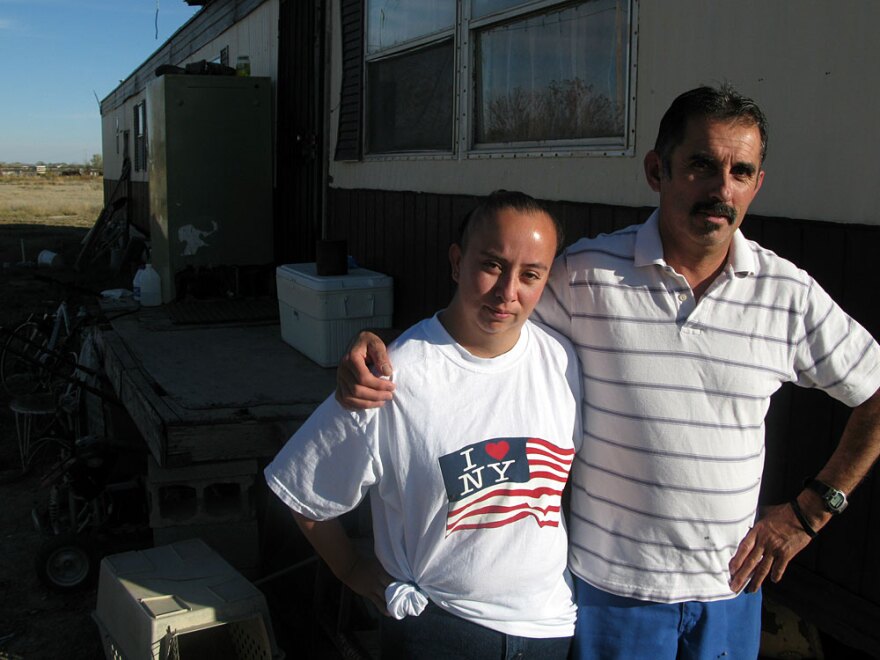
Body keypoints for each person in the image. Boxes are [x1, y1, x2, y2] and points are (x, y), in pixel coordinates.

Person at [336, 84, 880, 658]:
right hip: (611, 596)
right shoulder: (588, 275)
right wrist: (380, 352)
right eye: (700, 164)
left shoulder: (787, 296)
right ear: (656, 169)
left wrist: (812, 511)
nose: (723, 189)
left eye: (741, 171)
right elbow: (487, 320)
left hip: (729, 590)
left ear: (757, 184)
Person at [266, 191, 584, 659]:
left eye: (530, 275)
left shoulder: (561, 361)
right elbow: (303, 488)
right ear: (457, 262)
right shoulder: (393, 375)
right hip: (441, 631)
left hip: (550, 626)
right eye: (492, 265)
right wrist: (352, 567)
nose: (507, 292)